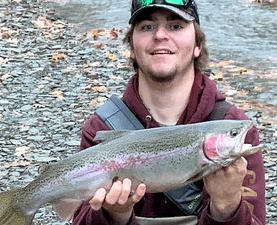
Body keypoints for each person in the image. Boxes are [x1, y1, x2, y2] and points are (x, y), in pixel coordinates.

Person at [72, 0, 266, 224]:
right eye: (147, 27)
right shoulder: (102, 128)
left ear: (197, 45)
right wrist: (115, 214)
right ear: (132, 48)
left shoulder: (232, 125)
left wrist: (226, 205)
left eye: (176, 26)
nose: (160, 35)